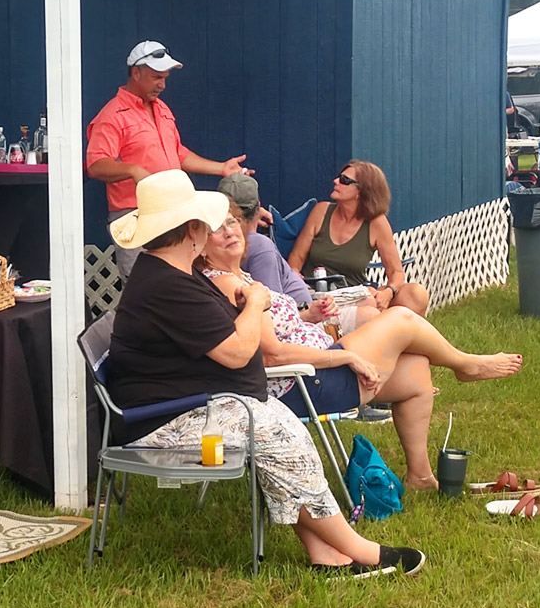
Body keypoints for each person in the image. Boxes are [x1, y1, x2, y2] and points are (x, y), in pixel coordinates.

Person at [108, 171, 432, 576]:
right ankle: (363, 551)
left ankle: (327, 557)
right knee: (276, 433)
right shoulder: (167, 286)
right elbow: (238, 351)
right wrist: (255, 302)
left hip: (193, 405)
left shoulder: (175, 275)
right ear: (191, 231)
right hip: (163, 420)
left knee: (278, 428)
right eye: (205, 223)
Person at [197, 213, 511, 489]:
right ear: (198, 242)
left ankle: (421, 477)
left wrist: (308, 316)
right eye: (216, 228)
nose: (229, 231)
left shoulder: (242, 278)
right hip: (300, 384)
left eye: (232, 221)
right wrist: (347, 356)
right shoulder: (228, 284)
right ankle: (465, 364)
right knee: (401, 318)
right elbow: (271, 355)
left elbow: (272, 330)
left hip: (313, 370)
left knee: (416, 372)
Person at [86, 40, 252, 278]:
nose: (162, 84)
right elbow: (96, 165)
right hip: (136, 215)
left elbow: (178, 153)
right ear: (135, 72)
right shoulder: (112, 115)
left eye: (164, 78)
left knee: (178, 280)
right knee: (142, 287)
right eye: (156, 77)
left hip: (174, 212)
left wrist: (221, 168)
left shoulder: (161, 108)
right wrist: (133, 170)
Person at [286, 161, 431, 322]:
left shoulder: (377, 224)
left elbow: (396, 272)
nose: (335, 181)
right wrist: (294, 275)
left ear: (361, 192)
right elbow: (296, 257)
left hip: (354, 293)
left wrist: (387, 293)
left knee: (415, 294)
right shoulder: (321, 211)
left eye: (344, 180)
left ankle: (405, 339)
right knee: (369, 302)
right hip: (318, 295)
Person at [214, 172, 316, 308]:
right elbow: (270, 309)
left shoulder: (215, 242)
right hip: (301, 318)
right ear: (258, 206)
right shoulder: (259, 246)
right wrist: (309, 315)